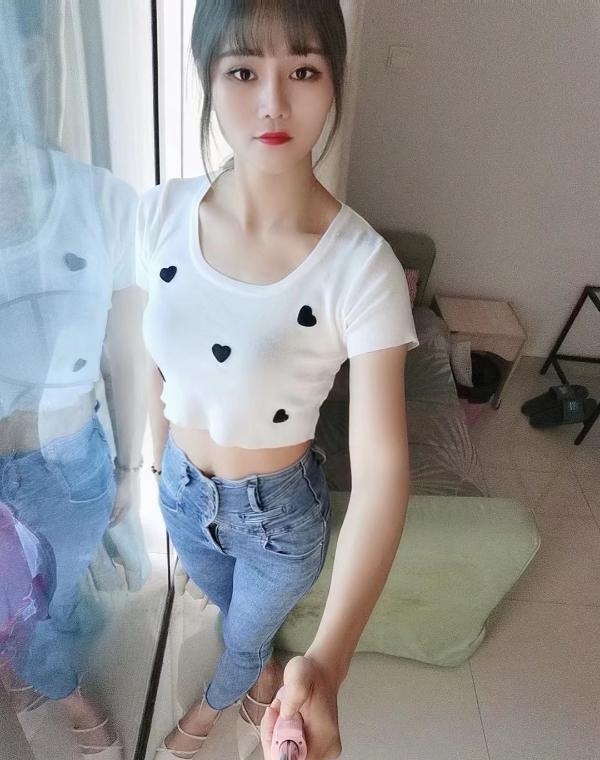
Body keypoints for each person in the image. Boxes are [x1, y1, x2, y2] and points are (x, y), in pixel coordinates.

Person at [139, 2, 419, 759]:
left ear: (334, 83)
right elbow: (154, 356)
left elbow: (384, 473)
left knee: (240, 633)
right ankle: (256, 665)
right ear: (207, 78)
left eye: (302, 71)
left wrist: (329, 662)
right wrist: (156, 460)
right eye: (242, 71)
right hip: (180, 493)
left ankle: (207, 713)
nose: (272, 103)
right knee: (235, 616)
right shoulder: (159, 215)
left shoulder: (361, 268)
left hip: (277, 521)